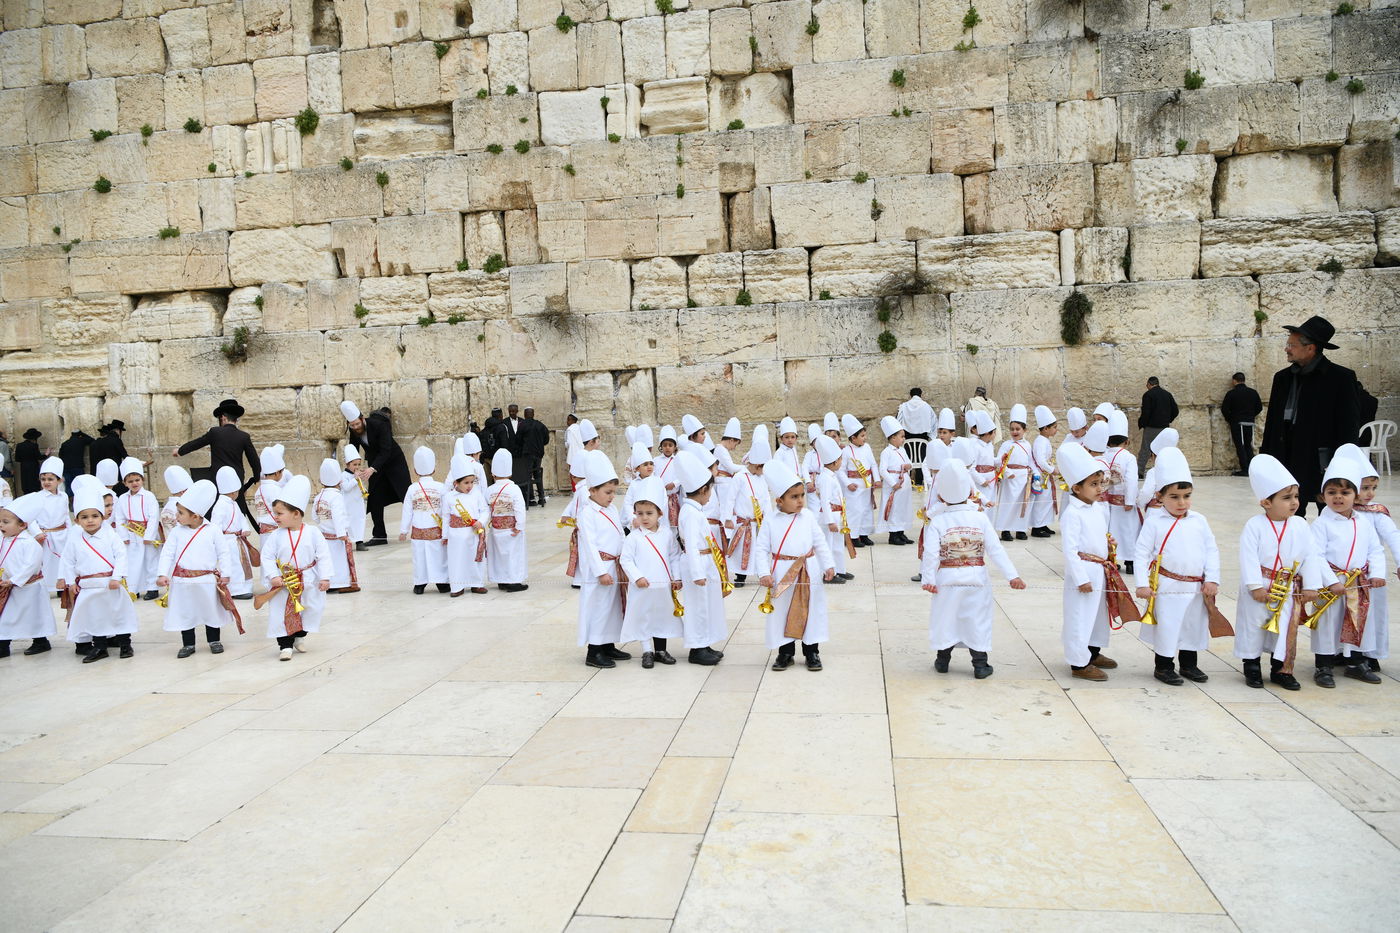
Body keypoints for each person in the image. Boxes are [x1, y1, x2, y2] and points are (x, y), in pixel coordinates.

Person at [920, 458, 1026, 679]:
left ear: (940, 496)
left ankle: (942, 660)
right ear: (971, 492)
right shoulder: (980, 518)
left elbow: (931, 554)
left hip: (946, 580)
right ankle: (980, 665)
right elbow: (996, 550)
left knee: (946, 618)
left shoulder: (937, 522)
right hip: (976, 578)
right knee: (977, 618)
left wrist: (928, 579)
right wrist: (1012, 576)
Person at [1233, 454, 1325, 691]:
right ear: (1266, 502)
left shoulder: (1301, 525)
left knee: (1285, 628)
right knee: (1254, 625)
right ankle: (1252, 666)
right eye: (1286, 498)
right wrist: (1255, 586)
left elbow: (1310, 556)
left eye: (1295, 496)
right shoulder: (1255, 525)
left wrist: (1311, 585)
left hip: (1288, 588)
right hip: (1262, 586)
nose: (1294, 502)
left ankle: (1280, 669)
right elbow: (1248, 557)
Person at [1133, 448, 1222, 686]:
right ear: (1160, 496)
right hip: (1167, 586)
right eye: (1174, 497)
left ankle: (1189, 664)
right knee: (1169, 626)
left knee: (1193, 625)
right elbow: (1141, 553)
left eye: (1186, 496)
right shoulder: (1154, 522)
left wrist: (1212, 578)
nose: (1182, 502)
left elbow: (1211, 550)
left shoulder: (1199, 521)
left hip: (1195, 587)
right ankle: (1163, 666)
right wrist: (1141, 584)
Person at [1260, 316, 1362, 516]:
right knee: (1290, 517)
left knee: (1333, 516)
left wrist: (1345, 465)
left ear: (1310, 348)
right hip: (1287, 458)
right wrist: (1267, 458)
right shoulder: (1282, 378)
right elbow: (1273, 422)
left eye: (1292, 344)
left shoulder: (1340, 378)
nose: (1286, 349)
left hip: (1322, 461)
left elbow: (1349, 425)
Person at [1058, 441, 1135, 681]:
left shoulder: (1097, 509)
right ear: (1076, 488)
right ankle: (1079, 662)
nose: (1099, 488)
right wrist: (1080, 577)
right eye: (1092, 484)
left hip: (1100, 570)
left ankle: (1093, 651)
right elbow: (1070, 550)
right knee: (1080, 617)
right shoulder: (1072, 514)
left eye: (1100, 483)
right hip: (1084, 573)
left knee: (1098, 615)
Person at [1309, 454, 1386, 686]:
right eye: (1332, 493)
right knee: (1328, 624)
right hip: (1331, 585)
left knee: (1358, 619)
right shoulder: (1321, 524)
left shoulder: (1363, 522)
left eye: (1345, 492)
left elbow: (1375, 550)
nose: (1338, 498)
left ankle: (1356, 662)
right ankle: (1324, 665)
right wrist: (1331, 581)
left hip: (1358, 584)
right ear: (1323, 496)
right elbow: (1315, 555)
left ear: (1355, 496)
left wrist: (1377, 573)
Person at [754, 460, 836, 671]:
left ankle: (812, 651)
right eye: (794, 497)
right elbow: (762, 548)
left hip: (808, 571)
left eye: (802, 496)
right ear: (779, 500)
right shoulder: (770, 520)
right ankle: (785, 652)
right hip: (781, 572)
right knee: (782, 611)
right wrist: (764, 572)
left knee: (810, 610)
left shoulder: (808, 517)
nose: (800, 501)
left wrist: (828, 565)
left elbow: (819, 543)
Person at [157, 479, 239, 658]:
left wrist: (226, 573)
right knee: (185, 612)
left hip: (206, 580)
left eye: (180, 513)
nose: (176, 516)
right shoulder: (177, 532)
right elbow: (167, 553)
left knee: (211, 610)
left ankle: (214, 640)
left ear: (195, 516)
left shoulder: (213, 530)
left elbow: (223, 553)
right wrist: (163, 573)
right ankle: (188, 644)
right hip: (182, 581)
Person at [59, 484, 139, 663]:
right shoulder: (75, 540)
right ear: (77, 520)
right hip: (88, 587)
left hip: (110, 584)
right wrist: (72, 582)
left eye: (95, 516)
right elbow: (68, 562)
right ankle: (100, 646)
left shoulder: (110, 535)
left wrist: (117, 577)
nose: (90, 520)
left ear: (102, 517)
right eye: (84, 517)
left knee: (119, 613)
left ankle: (126, 644)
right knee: (95, 617)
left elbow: (121, 556)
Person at [260, 475, 332, 662]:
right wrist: (273, 575)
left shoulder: (313, 532)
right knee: (280, 613)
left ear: (296, 514)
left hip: (307, 580)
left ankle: (300, 636)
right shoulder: (275, 535)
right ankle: (285, 645)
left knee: (309, 610)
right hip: (283, 582)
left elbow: (323, 554)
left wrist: (324, 577)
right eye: (275, 513)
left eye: (279, 513)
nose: (275, 517)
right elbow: (266, 556)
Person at [620, 475, 682, 668]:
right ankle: (647, 650)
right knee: (644, 617)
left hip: (663, 586)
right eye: (640, 513)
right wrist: (637, 577)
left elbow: (674, 556)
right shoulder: (633, 538)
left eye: (649, 513)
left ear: (659, 513)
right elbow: (626, 560)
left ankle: (661, 650)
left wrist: (676, 577)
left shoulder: (667, 534)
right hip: (642, 587)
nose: (644, 518)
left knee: (662, 616)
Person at [576, 450, 628, 668]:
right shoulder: (587, 513)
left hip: (615, 566)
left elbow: (619, 535)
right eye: (607, 492)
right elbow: (589, 545)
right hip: (601, 569)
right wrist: (600, 571)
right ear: (593, 490)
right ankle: (594, 650)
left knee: (613, 606)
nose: (611, 496)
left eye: (614, 492)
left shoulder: (612, 509)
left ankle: (608, 643)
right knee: (599, 607)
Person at [174, 399, 261, 522]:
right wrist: (257, 477)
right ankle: (239, 531)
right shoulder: (244, 436)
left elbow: (197, 443)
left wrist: (180, 451)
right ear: (236, 419)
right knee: (238, 507)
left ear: (224, 417)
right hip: (236, 478)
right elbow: (254, 460)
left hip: (217, 478)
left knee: (215, 506)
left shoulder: (215, 432)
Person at [342, 400, 411, 545]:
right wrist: (353, 469)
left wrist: (372, 469)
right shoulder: (353, 431)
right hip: (374, 465)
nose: (355, 427)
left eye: (357, 424)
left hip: (394, 462)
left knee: (407, 495)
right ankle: (379, 535)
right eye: (352, 425)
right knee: (375, 498)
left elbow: (386, 450)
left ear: (362, 419)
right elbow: (353, 449)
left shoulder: (379, 425)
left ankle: (422, 527)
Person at [0, 493, 54, 658]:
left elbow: (30, 566)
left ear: (23, 525)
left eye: (6, 522)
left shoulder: (30, 544)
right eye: (0, 521)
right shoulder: (3, 540)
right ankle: (3, 645)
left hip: (29, 587)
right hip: (10, 587)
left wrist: (14, 580)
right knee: (6, 617)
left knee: (34, 616)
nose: (1, 525)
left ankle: (41, 641)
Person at [399, 447, 448, 595]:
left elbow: (407, 511)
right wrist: (446, 531)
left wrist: (403, 530)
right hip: (436, 530)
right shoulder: (441, 487)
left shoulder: (412, 488)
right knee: (439, 556)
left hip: (418, 530)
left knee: (419, 557)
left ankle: (420, 584)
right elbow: (446, 511)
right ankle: (442, 583)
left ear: (415, 470)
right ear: (434, 469)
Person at [441, 454, 489, 597]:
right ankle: (457, 586)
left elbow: (485, 510)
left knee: (475, 559)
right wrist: (445, 535)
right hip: (456, 535)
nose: (469, 486)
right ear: (456, 482)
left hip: (473, 533)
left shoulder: (477, 493)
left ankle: (477, 583)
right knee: (457, 560)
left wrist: (481, 521)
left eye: (472, 482)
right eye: (466, 483)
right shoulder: (449, 497)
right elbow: (446, 517)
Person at [116, 457, 162, 599]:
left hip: (147, 534)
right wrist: (123, 536)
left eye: (137, 480)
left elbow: (154, 516)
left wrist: (149, 535)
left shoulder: (149, 496)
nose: (134, 483)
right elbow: (119, 518)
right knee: (133, 562)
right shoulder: (122, 499)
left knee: (150, 561)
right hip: (131, 535)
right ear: (125, 483)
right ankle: (133, 588)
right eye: (130, 481)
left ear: (142, 480)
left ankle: (152, 588)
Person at [485, 449, 529, 592]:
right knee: (513, 554)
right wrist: (520, 525)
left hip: (496, 529)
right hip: (511, 528)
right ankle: (513, 581)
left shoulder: (489, 490)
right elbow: (519, 509)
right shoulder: (514, 489)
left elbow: (486, 509)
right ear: (510, 472)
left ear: (493, 473)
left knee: (498, 555)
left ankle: (501, 580)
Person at [212, 466, 257, 600]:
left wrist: (244, 528)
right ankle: (235, 589)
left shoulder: (234, 504)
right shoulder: (220, 506)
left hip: (238, 539)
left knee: (243, 564)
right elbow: (215, 526)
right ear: (232, 491)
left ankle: (245, 587)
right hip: (228, 540)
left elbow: (241, 517)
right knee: (233, 564)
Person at [315, 459, 358, 594]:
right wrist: (342, 534)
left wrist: (323, 525)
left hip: (324, 535)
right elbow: (339, 517)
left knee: (327, 561)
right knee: (339, 561)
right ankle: (341, 583)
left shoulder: (318, 497)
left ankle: (329, 582)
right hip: (336, 536)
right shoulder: (336, 497)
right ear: (339, 481)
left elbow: (315, 516)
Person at [993, 405, 1033, 542]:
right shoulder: (1006, 445)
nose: (1015, 432)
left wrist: (1034, 475)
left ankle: (1020, 529)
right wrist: (1007, 472)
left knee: (1023, 504)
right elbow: (999, 461)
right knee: (1008, 504)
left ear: (1024, 430)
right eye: (1012, 429)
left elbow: (1030, 461)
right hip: (1010, 479)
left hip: (1024, 479)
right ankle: (1005, 529)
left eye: (1018, 429)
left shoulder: (1028, 445)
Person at [33, 456, 69, 595]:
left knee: (62, 561)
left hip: (62, 534)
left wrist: (70, 533)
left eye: (50, 479)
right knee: (47, 563)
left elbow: (66, 515)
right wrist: (37, 533)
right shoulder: (37, 497)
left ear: (59, 480)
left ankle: (62, 585)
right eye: (43, 479)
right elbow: (31, 519)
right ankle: (48, 587)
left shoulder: (64, 496)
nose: (46, 482)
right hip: (45, 536)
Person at [841, 414, 877, 548]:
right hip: (854, 485)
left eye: (865, 435)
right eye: (862, 436)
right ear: (853, 438)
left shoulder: (867, 448)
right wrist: (848, 484)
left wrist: (877, 479)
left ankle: (864, 534)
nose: (865, 438)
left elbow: (873, 464)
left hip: (866, 484)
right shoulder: (846, 451)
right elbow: (841, 471)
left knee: (866, 510)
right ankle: (853, 536)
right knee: (855, 511)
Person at [877, 415, 914, 546]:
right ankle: (893, 535)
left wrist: (908, 466)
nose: (904, 439)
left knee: (903, 507)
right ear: (893, 437)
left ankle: (901, 532)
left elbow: (909, 463)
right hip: (894, 483)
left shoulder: (902, 450)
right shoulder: (886, 452)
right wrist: (893, 483)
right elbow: (882, 470)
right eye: (901, 436)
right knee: (894, 508)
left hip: (904, 482)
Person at [1221, 372, 1263, 476]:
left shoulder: (1231, 393)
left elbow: (1225, 409)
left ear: (1234, 381)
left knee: (1240, 446)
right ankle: (1252, 469)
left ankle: (1245, 469)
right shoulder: (1253, 392)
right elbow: (1259, 407)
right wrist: (1251, 416)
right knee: (1248, 445)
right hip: (1249, 422)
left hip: (1237, 423)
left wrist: (1230, 419)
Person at [1137, 377, 1179, 478]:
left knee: (1145, 450)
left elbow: (1146, 412)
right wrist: (1168, 420)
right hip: (1164, 427)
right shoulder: (1167, 394)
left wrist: (1142, 423)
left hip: (1151, 427)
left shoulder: (1148, 395)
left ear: (1149, 384)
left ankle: (1139, 472)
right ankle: (1166, 472)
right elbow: (1175, 410)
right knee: (1163, 450)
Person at [1029, 405, 1059, 537]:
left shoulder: (1044, 440)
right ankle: (1037, 526)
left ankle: (1043, 523)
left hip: (1045, 476)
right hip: (1041, 477)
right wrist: (1052, 470)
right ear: (1046, 428)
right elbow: (1040, 460)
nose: (1056, 430)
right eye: (1054, 427)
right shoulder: (1040, 441)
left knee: (1046, 500)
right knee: (1041, 502)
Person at [898, 388, 933, 486]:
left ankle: (907, 481)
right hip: (923, 438)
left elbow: (898, 420)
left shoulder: (904, 406)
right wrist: (931, 435)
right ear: (921, 395)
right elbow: (933, 421)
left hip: (908, 437)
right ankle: (919, 481)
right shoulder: (926, 406)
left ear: (910, 395)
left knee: (908, 457)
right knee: (922, 458)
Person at [517, 407, 550, 507]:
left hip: (527, 455)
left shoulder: (522, 425)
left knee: (527, 476)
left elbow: (518, 440)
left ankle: (530, 499)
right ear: (533, 414)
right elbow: (546, 439)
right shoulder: (540, 425)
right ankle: (541, 498)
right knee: (538, 475)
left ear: (525, 414)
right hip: (538, 455)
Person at [58, 429, 94, 497]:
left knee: (68, 485)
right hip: (78, 467)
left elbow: (60, 455)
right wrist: (82, 434)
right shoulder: (81, 441)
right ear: (79, 434)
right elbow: (92, 440)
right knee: (80, 485)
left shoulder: (65, 443)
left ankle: (70, 502)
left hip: (66, 468)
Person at [15, 428, 43, 495]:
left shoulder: (19, 445)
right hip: (33, 468)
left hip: (24, 468)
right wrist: (46, 454)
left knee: (26, 485)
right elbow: (39, 457)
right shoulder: (34, 446)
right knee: (34, 486)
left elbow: (17, 459)